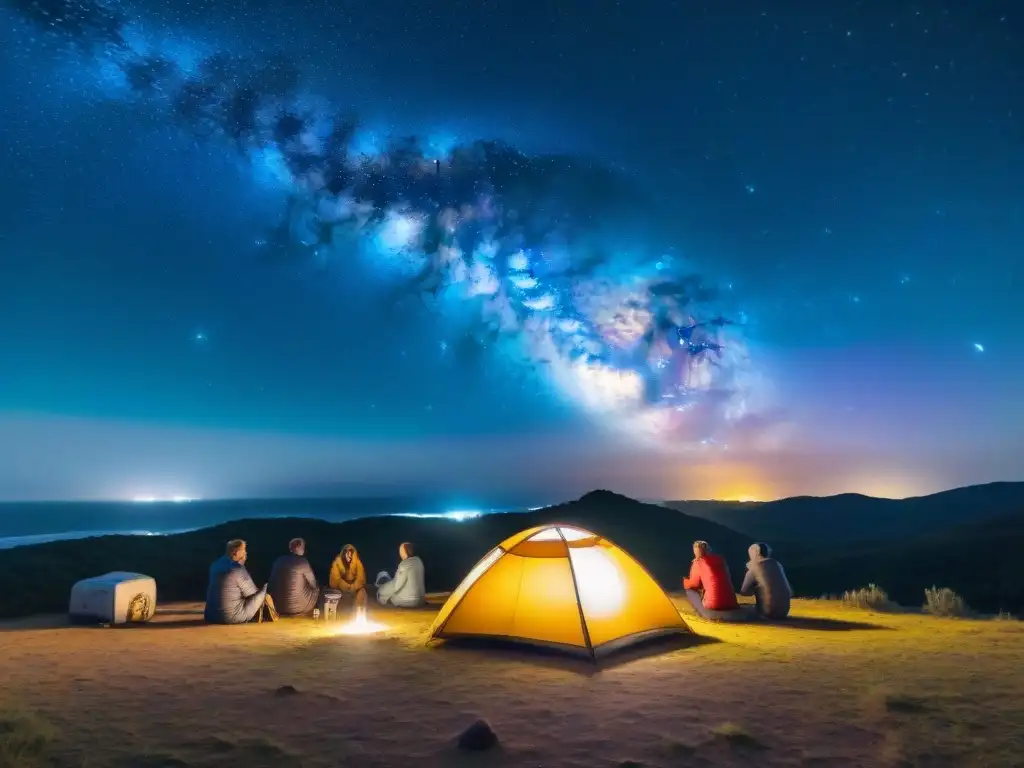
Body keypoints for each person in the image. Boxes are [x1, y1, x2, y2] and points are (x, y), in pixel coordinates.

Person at [204, 539, 277, 624]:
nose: (246, 553)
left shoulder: (215, 565)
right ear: (237, 553)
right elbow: (252, 593)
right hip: (230, 617)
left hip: (210, 616)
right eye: (244, 550)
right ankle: (271, 616)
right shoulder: (237, 568)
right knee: (264, 591)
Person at [682, 540, 740, 619]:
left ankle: (700, 613)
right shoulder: (721, 560)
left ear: (695, 551)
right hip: (732, 603)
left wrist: (685, 582)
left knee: (689, 590)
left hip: (713, 605)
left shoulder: (698, 562)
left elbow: (695, 584)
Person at [268, 537, 320, 617]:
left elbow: (271, 583)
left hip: (277, 606)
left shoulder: (278, 560)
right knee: (317, 588)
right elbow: (313, 584)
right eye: (303, 547)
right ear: (300, 548)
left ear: (290, 548)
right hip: (298, 608)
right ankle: (315, 613)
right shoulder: (303, 562)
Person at [739, 542, 792, 620]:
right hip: (784, 612)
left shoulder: (754, 568)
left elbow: (744, 592)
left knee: (742, 608)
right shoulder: (778, 565)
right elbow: (790, 592)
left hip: (768, 613)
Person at [375, 541, 426, 608]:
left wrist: (381, 589)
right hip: (421, 600)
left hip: (409, 600)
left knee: (383, 597)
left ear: (405, 551)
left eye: (401, 550)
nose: (400, 553)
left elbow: (396, 586)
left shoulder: (405, 564)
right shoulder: (418, 561)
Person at [328, 543, 368, 619]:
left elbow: (361, 578)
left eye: (351, 555)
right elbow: (335, 580)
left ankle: (358, 616)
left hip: (354, 588)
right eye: (347, 554)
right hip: (340, 589)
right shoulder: (337, 563)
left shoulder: (357, 563)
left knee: (362, 593)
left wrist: (353, 587)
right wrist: (346, 587)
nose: (349, 557)